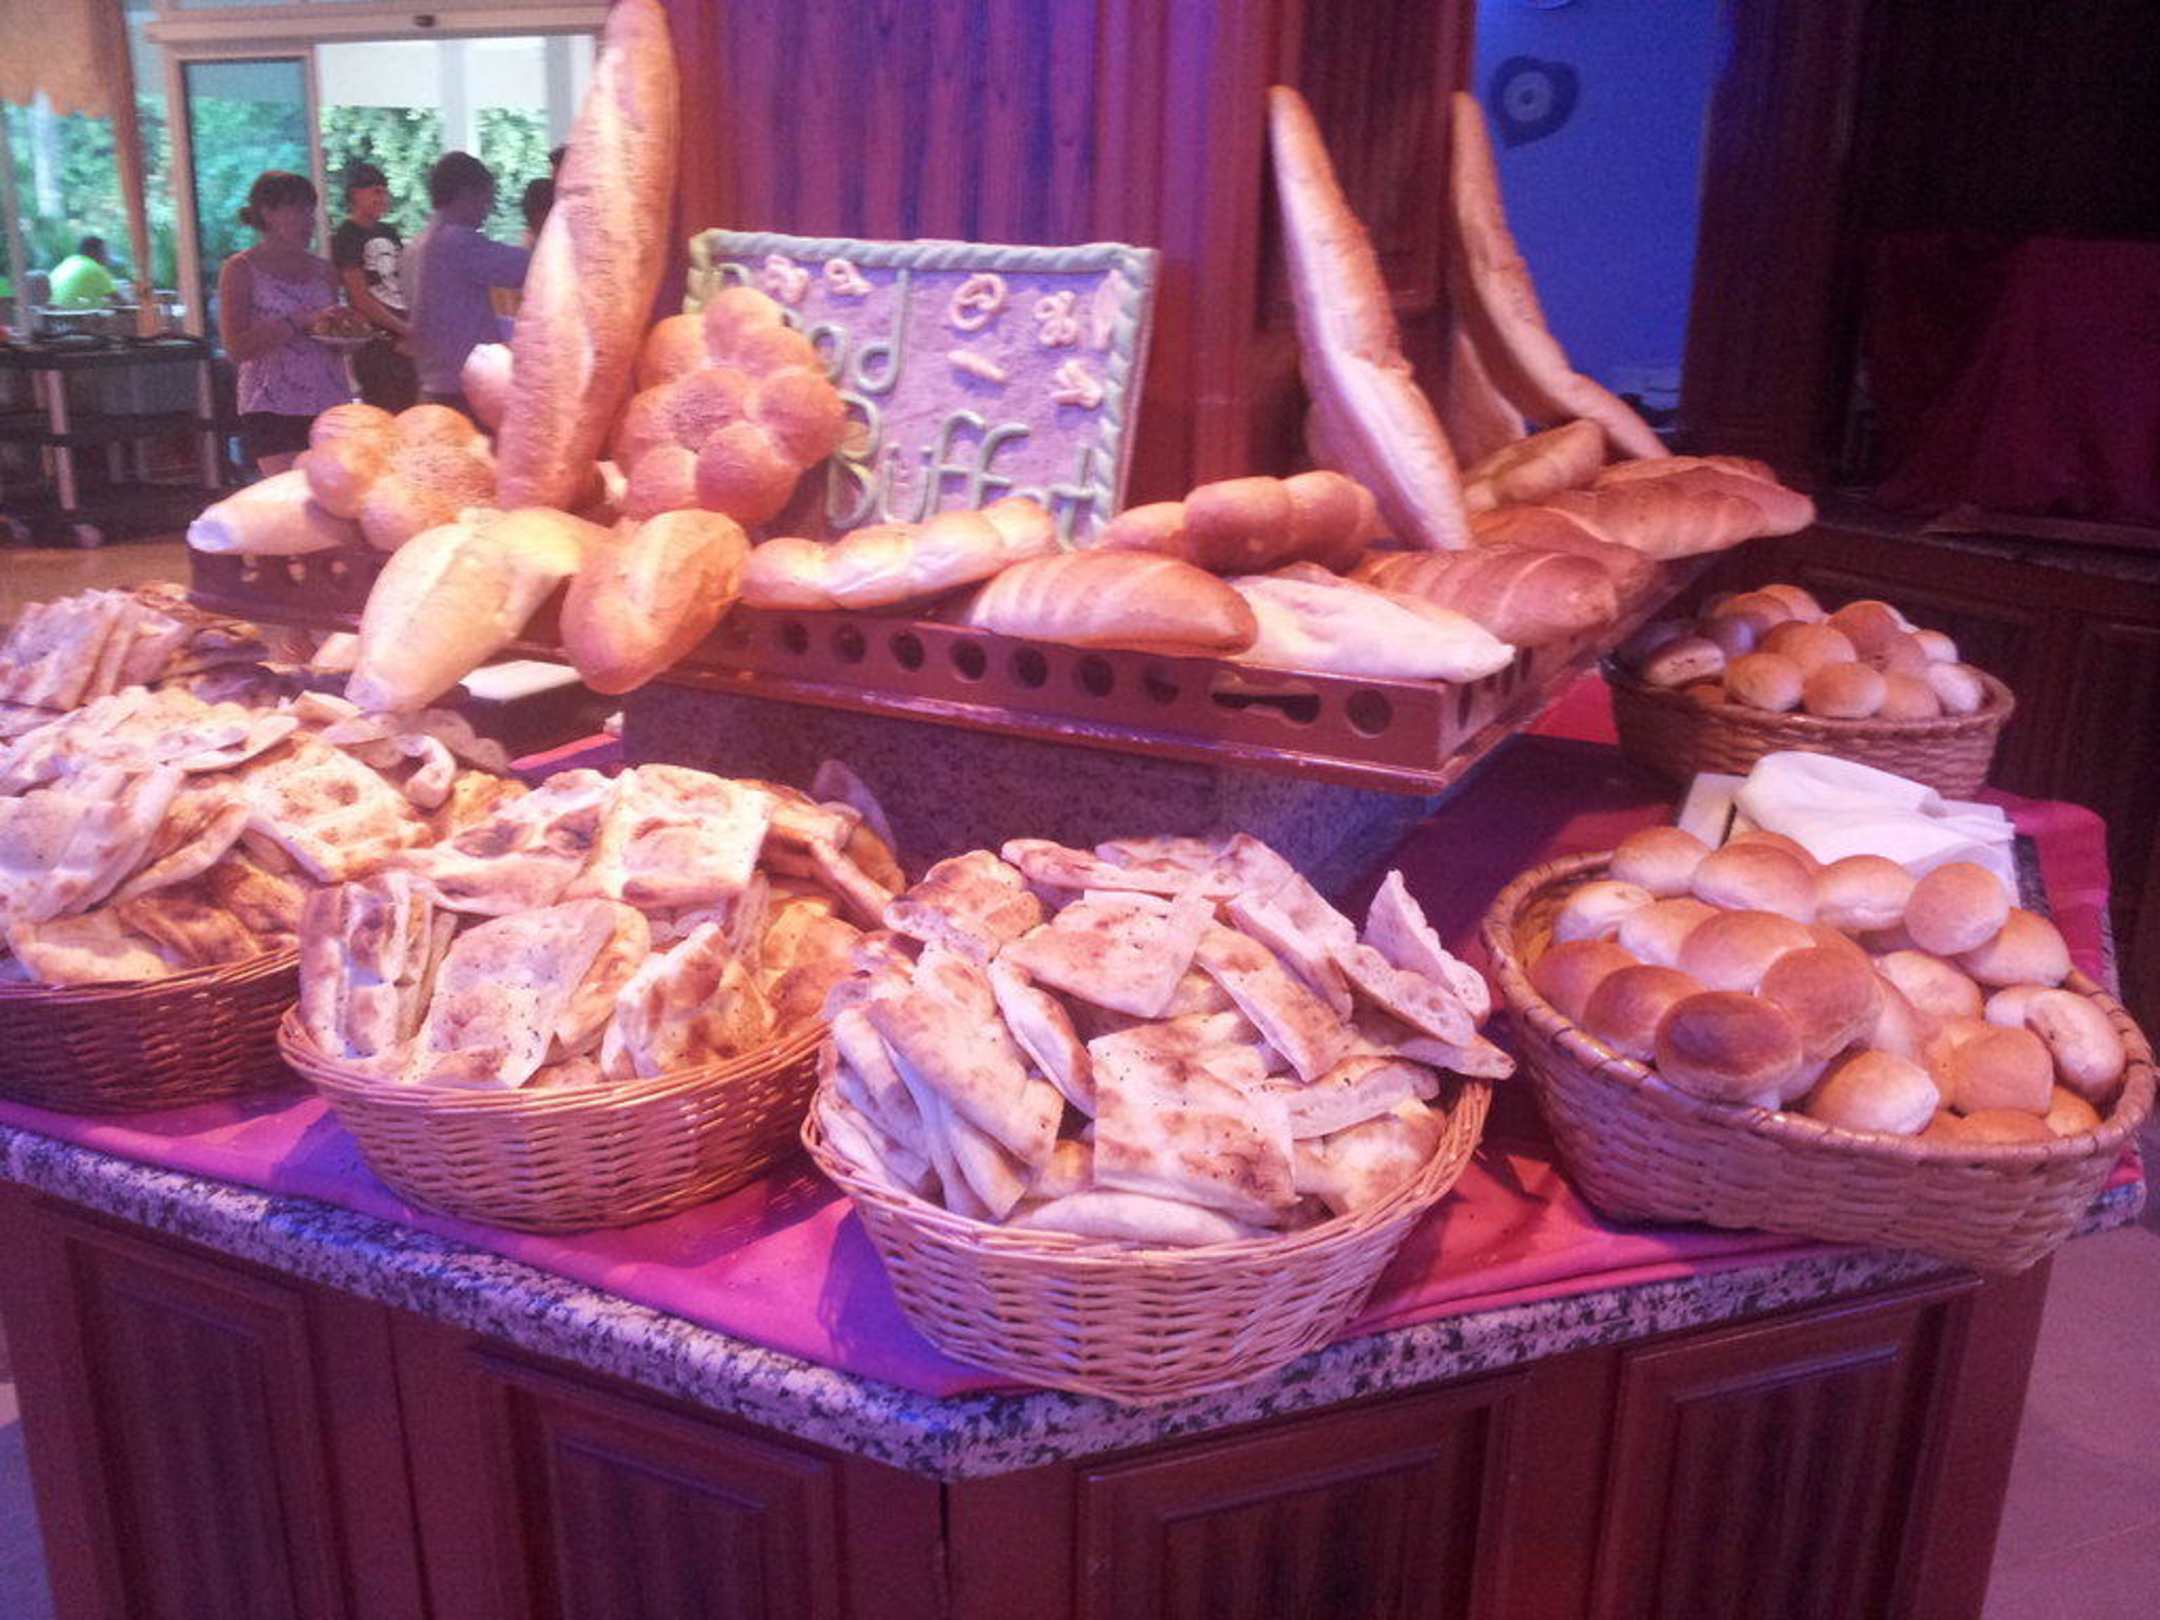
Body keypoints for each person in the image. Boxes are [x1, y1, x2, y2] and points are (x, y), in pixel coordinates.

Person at [216, 171, 352, 475]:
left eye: (311, 211)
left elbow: (332, 341)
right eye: (298, 210)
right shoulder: (241, 269)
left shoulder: (324, 271)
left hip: (329, 400)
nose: (309, 221)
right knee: (290, 493)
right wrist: (297, 320)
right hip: (272, 405)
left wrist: (346, 335)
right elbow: (236, 348)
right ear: (268, 213)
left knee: (335, 491)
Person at [403, 151, 528, 418]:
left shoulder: (415, 245)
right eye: (485, 200)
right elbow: (524, 267)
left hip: (429, 381)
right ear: (465, 194)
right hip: (462, 388)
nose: (486, 211)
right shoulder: (456, 241)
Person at [330, 162, 417, 412]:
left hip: (403, 336)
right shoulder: (347, 235)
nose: (383, 198)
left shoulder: (388, 231)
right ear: (355, 194)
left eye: (385, 191)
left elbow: (403, 281)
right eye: (376, 191)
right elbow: (359, 296)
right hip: (375, 342)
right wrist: (403, 329)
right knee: (384, 413)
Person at [48, 237, 120, 308]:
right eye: (105, 252)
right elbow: (120, 301)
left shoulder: (69, 262)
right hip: (73, 313)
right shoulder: (94, 268)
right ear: (94, 252)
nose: (108, 256)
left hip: (51, 311)